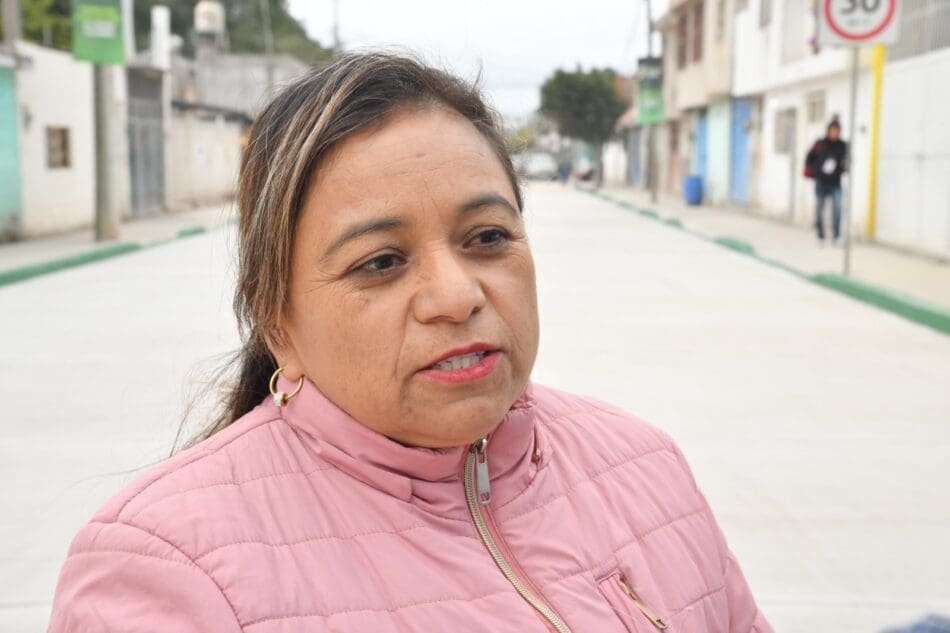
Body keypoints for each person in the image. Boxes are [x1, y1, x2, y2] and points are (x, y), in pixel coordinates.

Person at [48, 53, 773, 632]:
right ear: (278, 322)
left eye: (487, 237)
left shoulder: (645, 465)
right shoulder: (169, 570)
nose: (457, 295)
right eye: (381, 262)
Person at [805, 117, 849, 245]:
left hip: (835, 183)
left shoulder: (842, 146)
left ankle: (836, 236)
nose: (834, 133)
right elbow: (809, 158)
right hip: (821, 182)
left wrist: (841, 169)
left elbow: (847, 162)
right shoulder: (820, 144)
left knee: (838, 208)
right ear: (828, 131)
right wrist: (816, 170)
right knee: (820, 210)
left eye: (836, 131)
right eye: (832, 130)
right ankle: (821, 236)